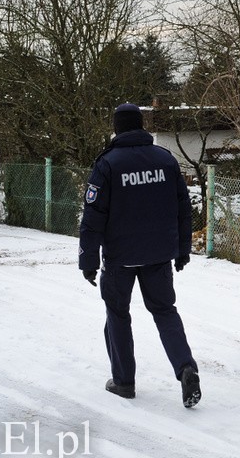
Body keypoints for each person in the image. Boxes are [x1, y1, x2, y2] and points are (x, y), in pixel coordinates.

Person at [79, 102, 201, 408]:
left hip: (121, 257)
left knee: (118, 314)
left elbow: (93, 217)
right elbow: (182, 209)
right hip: (159, 255)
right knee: (165, 312)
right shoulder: (165, 160)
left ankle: (124, 381)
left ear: (117, 128)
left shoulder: (107, 164)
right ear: (141, 125)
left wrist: (88, 260)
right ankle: (186, 367)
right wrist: (182, 249)